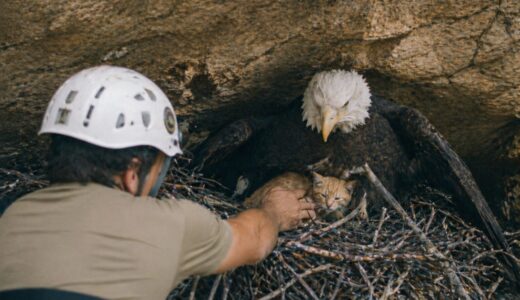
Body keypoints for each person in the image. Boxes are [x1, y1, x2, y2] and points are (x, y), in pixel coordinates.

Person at [0, 66, 316, 299]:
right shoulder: (171, 224)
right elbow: (255, 238)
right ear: (133, 171)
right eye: (160, 165)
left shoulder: (10, 215)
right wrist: (274, 212)